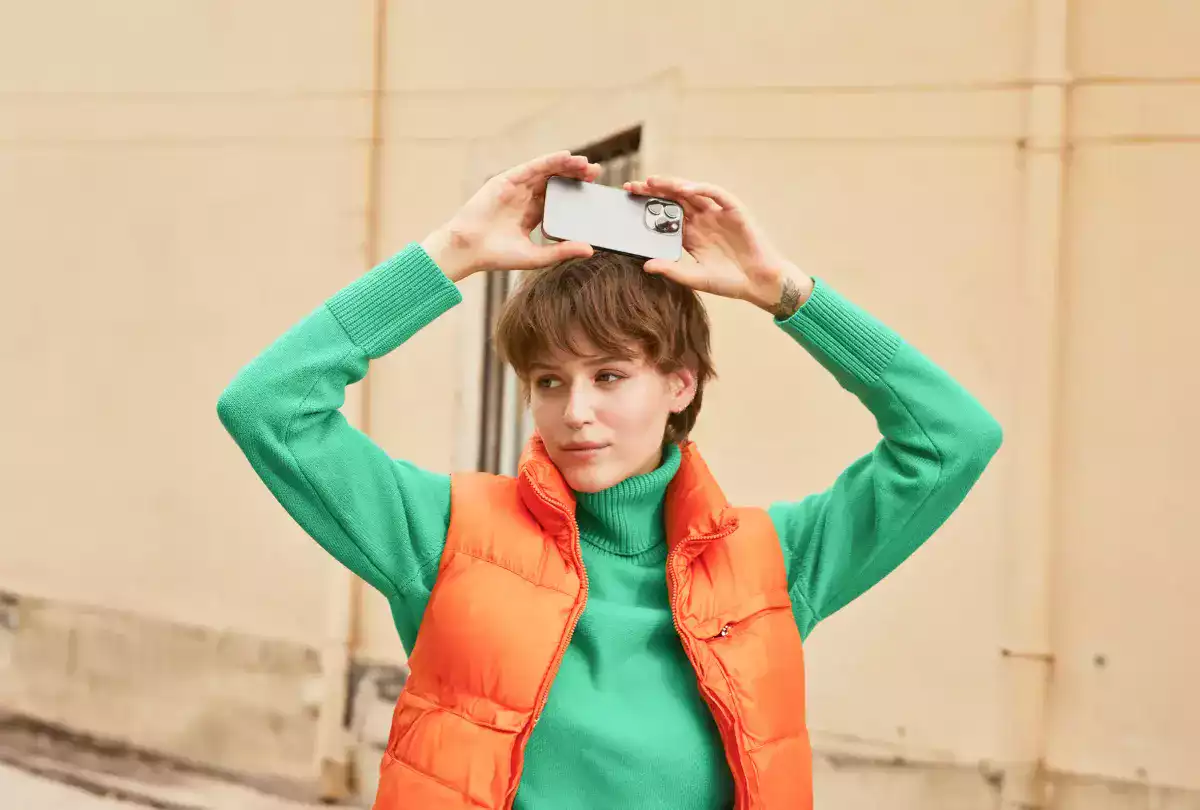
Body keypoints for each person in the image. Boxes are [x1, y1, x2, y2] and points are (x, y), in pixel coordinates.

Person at [217, 151, 1002, 810]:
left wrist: (783, 292)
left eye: (610, 375)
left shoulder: (776, 563)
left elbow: (951, 439)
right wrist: (454, 251)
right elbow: (268, 407)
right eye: (550, 381)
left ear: (680, 386)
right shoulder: (445, 534)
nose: (576, 412)